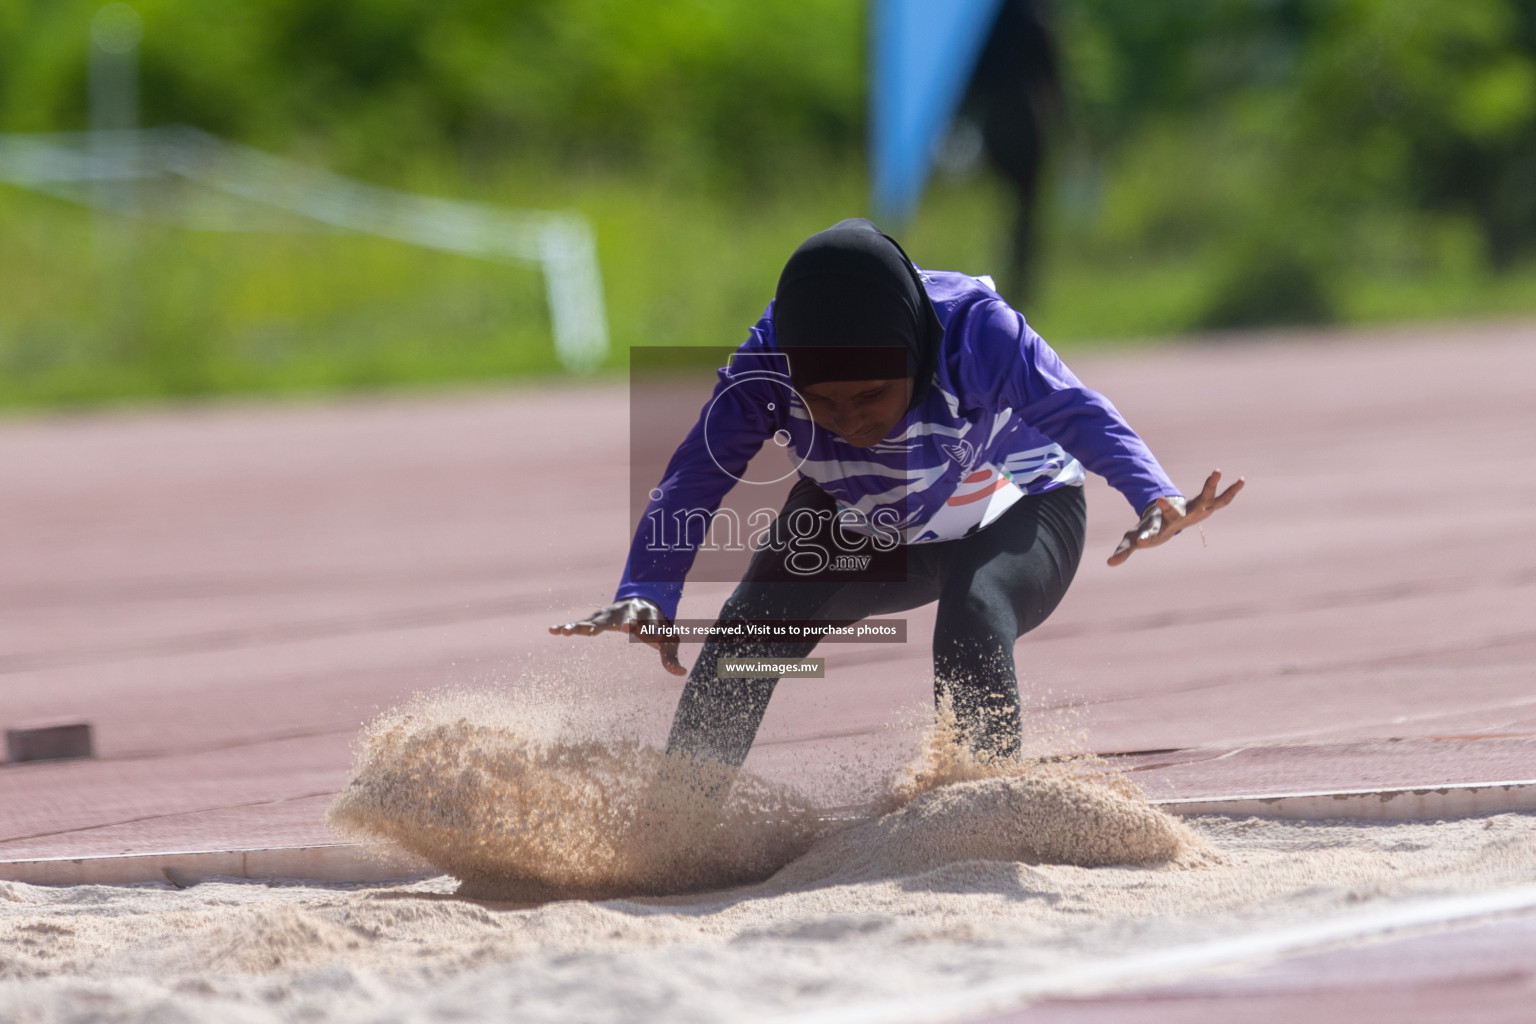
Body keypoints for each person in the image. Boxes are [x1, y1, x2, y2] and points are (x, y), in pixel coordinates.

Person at [552, 218, 1241, 772]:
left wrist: (1154, 496)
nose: (851, 421)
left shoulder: (977, 331)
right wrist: (649, 587)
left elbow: (1078, 411)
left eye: (871, 395)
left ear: (912, 352)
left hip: (1014, 507)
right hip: (863, 523)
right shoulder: (765, 364)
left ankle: (981, 808)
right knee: (749, 631)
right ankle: (683, 819)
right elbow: (696, 476)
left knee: (973, 618)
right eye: (822, 402)